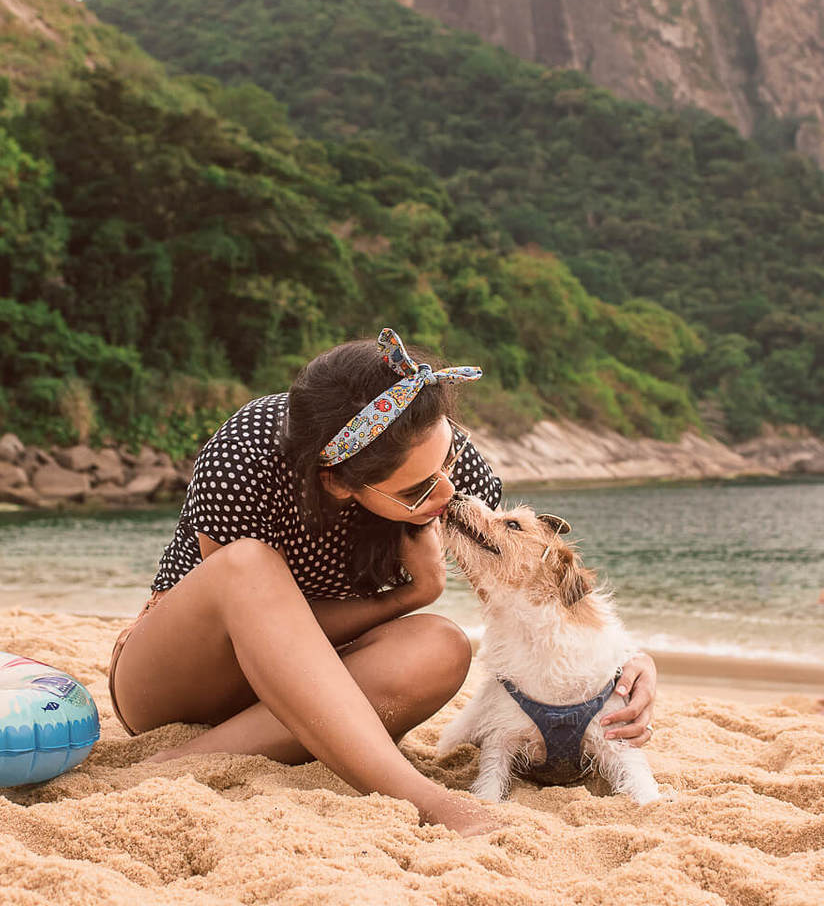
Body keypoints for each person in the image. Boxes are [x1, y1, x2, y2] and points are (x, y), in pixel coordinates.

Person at [108, 328, 658, 837]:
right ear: (339, 483)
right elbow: (254, 626)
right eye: (419, 491)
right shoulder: (249, 453)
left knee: (443, 644)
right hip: (184, 679)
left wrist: (629, 660)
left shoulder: (431, 456)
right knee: (248, 563)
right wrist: (408, 596)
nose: (447, 494)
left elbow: (532, 580)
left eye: (450, 460)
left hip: (314, 696)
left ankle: (184, 761)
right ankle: (419, 796)